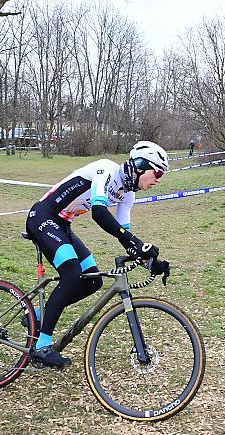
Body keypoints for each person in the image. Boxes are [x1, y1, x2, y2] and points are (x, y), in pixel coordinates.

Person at [25, 141, 172, 367]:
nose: (159, 179)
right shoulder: (106, 169)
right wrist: (138, 243)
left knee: (92, 280)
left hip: (63, 224)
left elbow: (125, 239)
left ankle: (38, 313)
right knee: (72, 273)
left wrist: (151, 262)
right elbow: (99, 213)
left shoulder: (128, 195)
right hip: (43, 216)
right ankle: (42, 346)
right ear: (141, 166)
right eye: (158, 172)